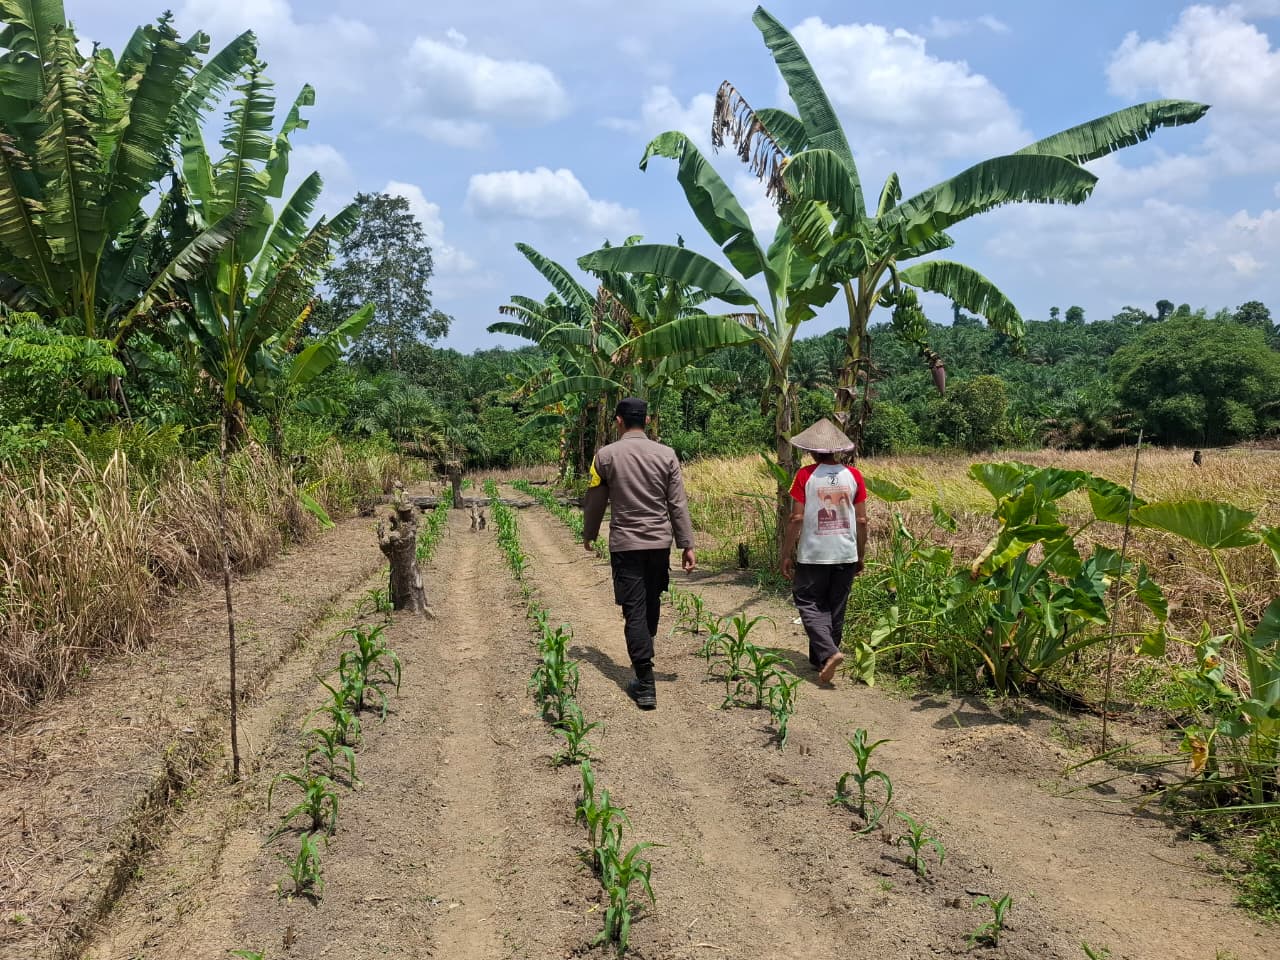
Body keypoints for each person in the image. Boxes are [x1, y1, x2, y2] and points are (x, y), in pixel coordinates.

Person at [583, 397, 696, 710]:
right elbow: (677, 503)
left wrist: (589, 533)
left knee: (634, 609)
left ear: (618, 421)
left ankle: (644, 682)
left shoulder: (605, 456)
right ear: (647, 421)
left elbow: (595, 500)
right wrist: (687, 544)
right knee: (651, 601)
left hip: (626, 545)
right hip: (659, 545)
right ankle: (645, 652)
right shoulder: (667, 455)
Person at [778, 418, 868, 684]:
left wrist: (785, 553)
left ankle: (828, 653)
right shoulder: (854, 476)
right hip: (845, 552)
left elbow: (796, 518)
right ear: (837, 450)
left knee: (808, 601)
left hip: (814, 553)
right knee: (835, 606)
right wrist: (860, 554)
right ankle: (821, 659)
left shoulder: (805, 476)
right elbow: (862, 520)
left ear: (811, 451)